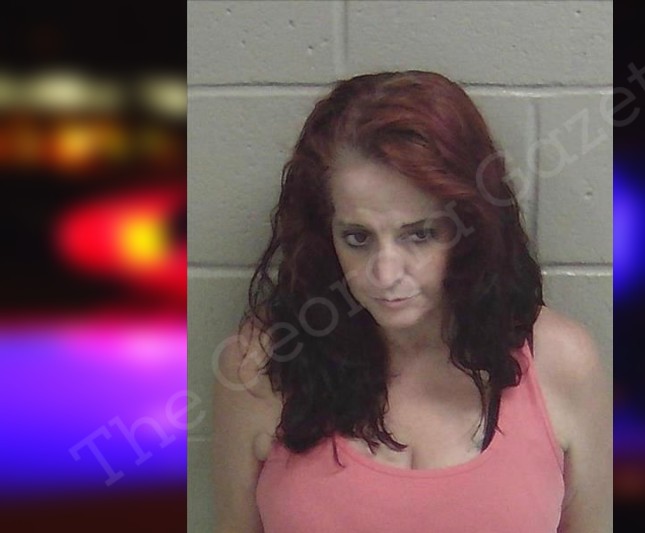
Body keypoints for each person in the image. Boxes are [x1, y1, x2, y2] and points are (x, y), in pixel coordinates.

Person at [212, 71, 611, 533]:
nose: (385, 274)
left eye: (419, 235)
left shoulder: (561, 362)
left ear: (470, 227)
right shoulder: (260, 366)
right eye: (357, 238)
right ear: (324, 235)